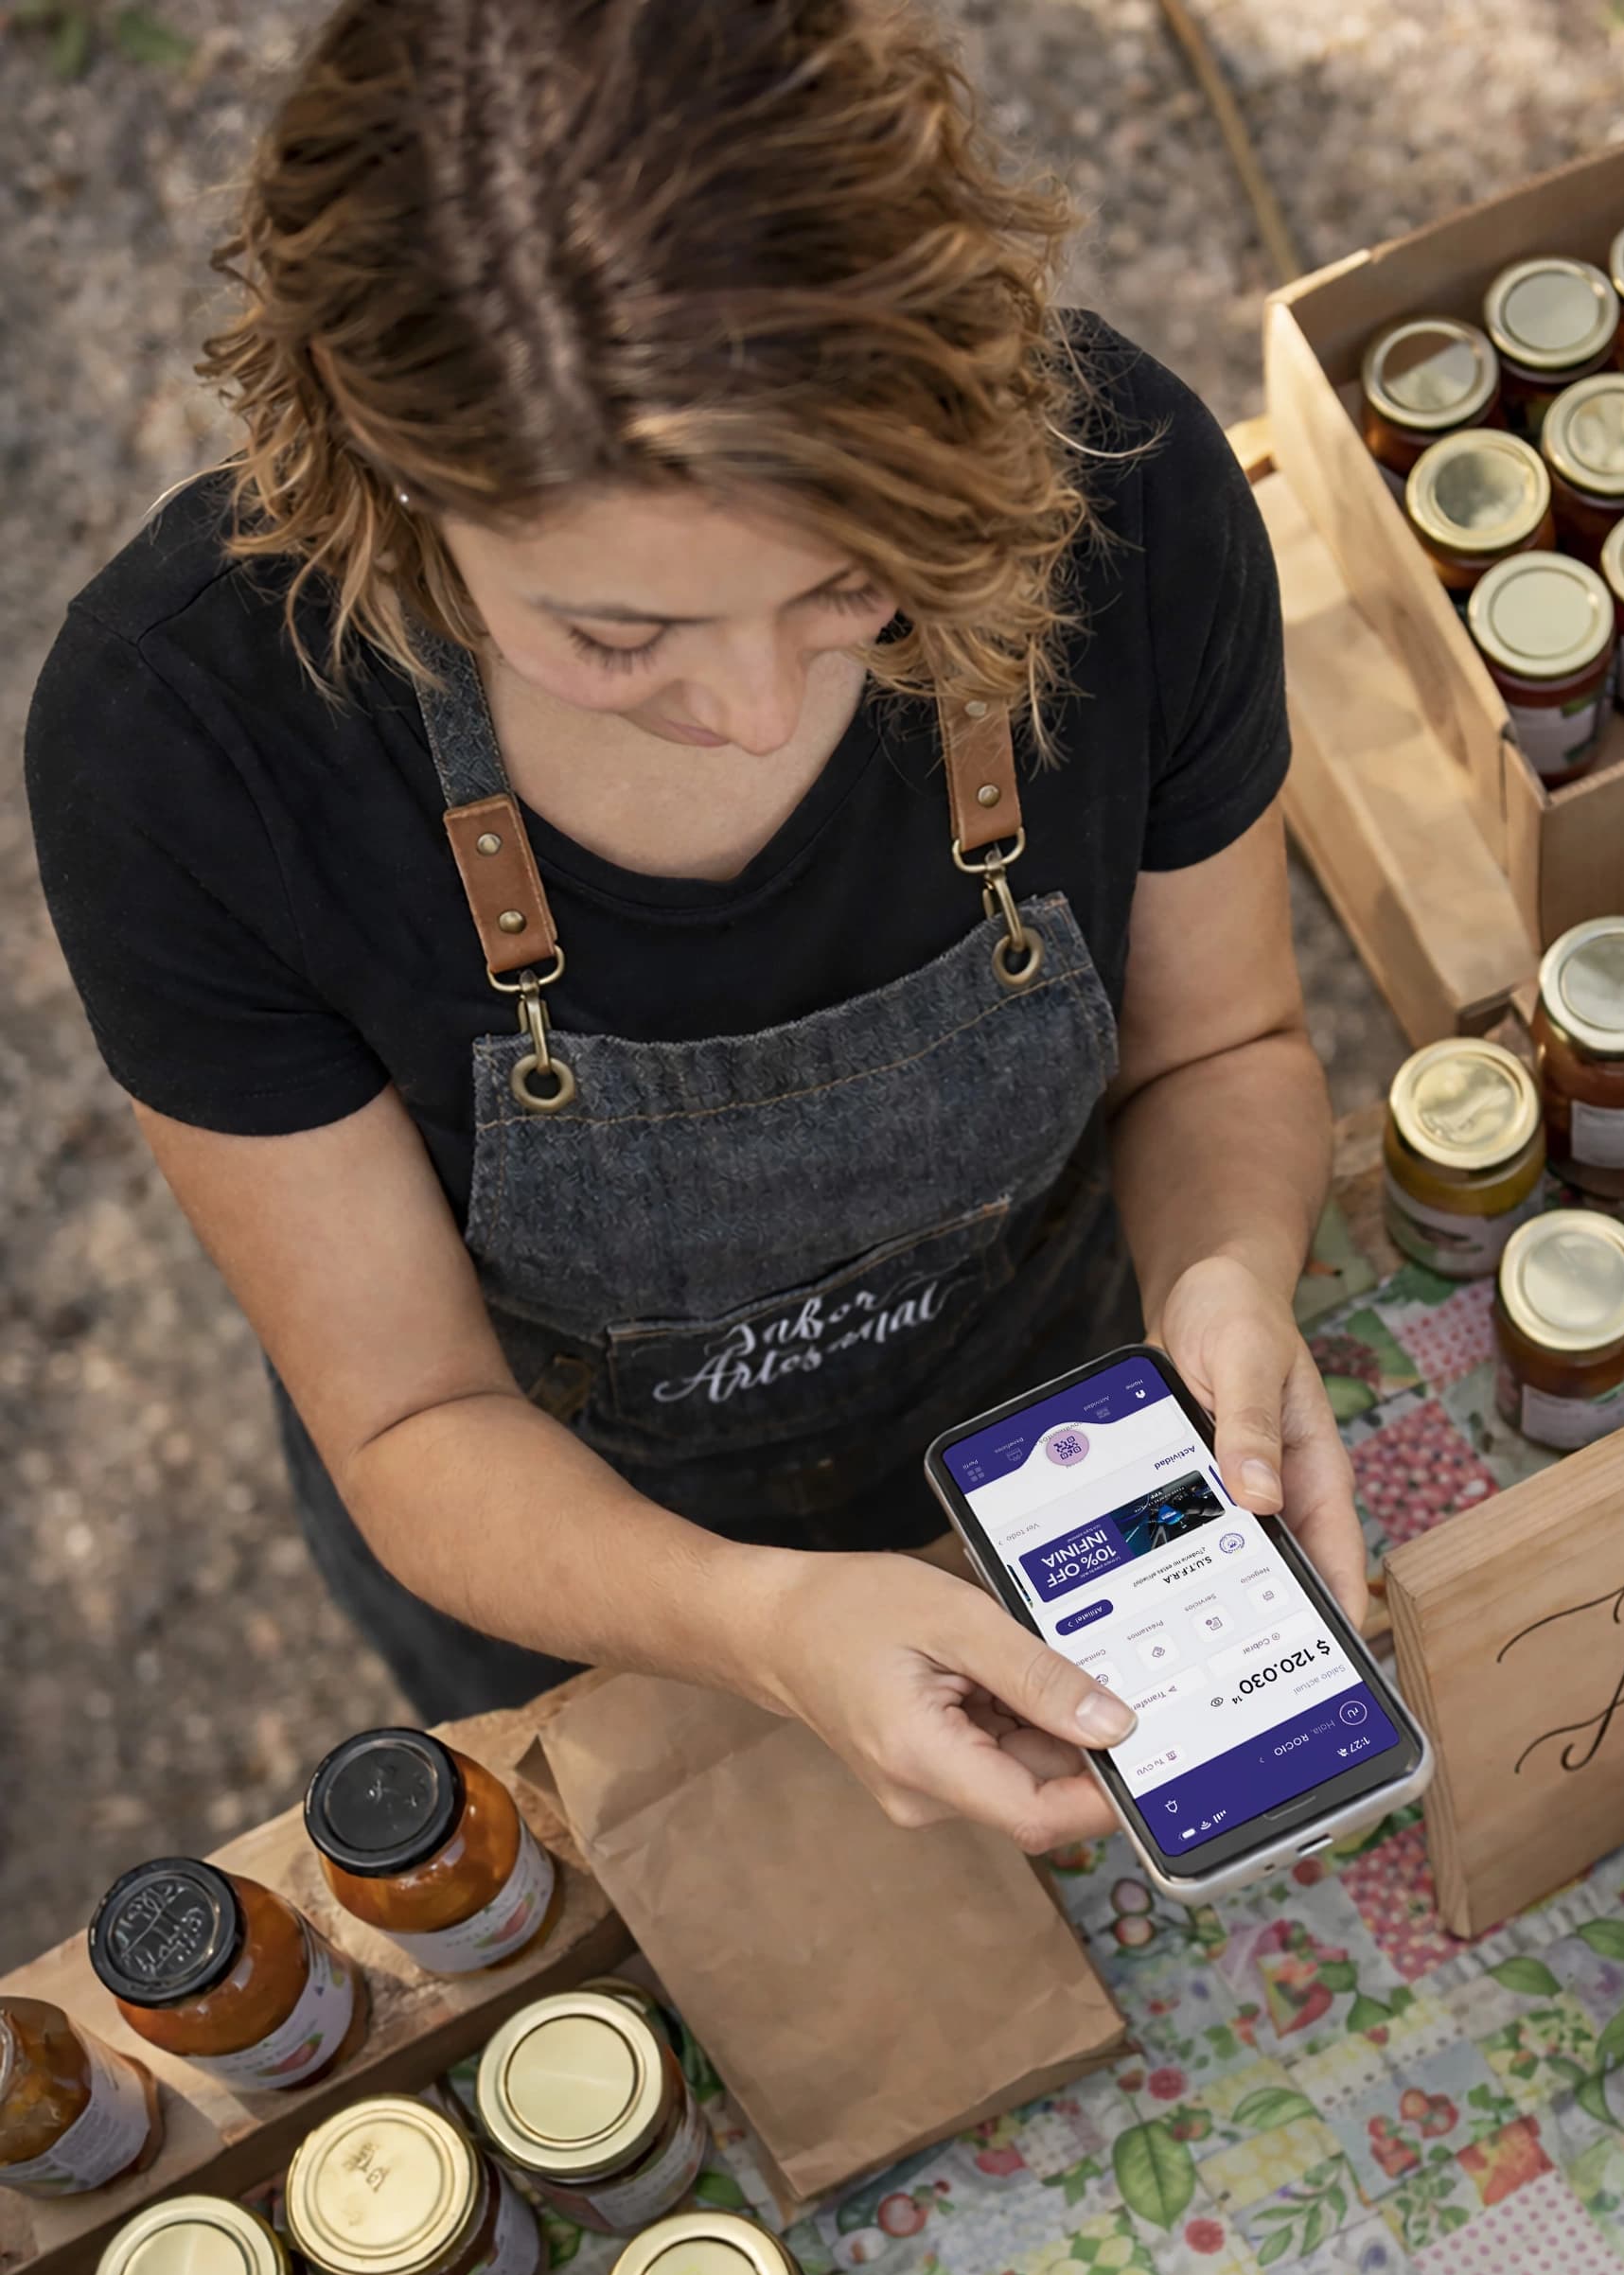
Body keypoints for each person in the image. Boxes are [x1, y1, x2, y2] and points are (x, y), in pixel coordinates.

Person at [27, 0, 1363, 1858]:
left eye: (844, 584)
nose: (747, 711)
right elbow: (414, 1417)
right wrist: (758, 1623)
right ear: (384, 473)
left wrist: (1220, 1279)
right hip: (587, 1543)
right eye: (615, 634)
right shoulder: (184, 741)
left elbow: (1217, 1051)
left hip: (1067, 1441)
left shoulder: (1119, 491)